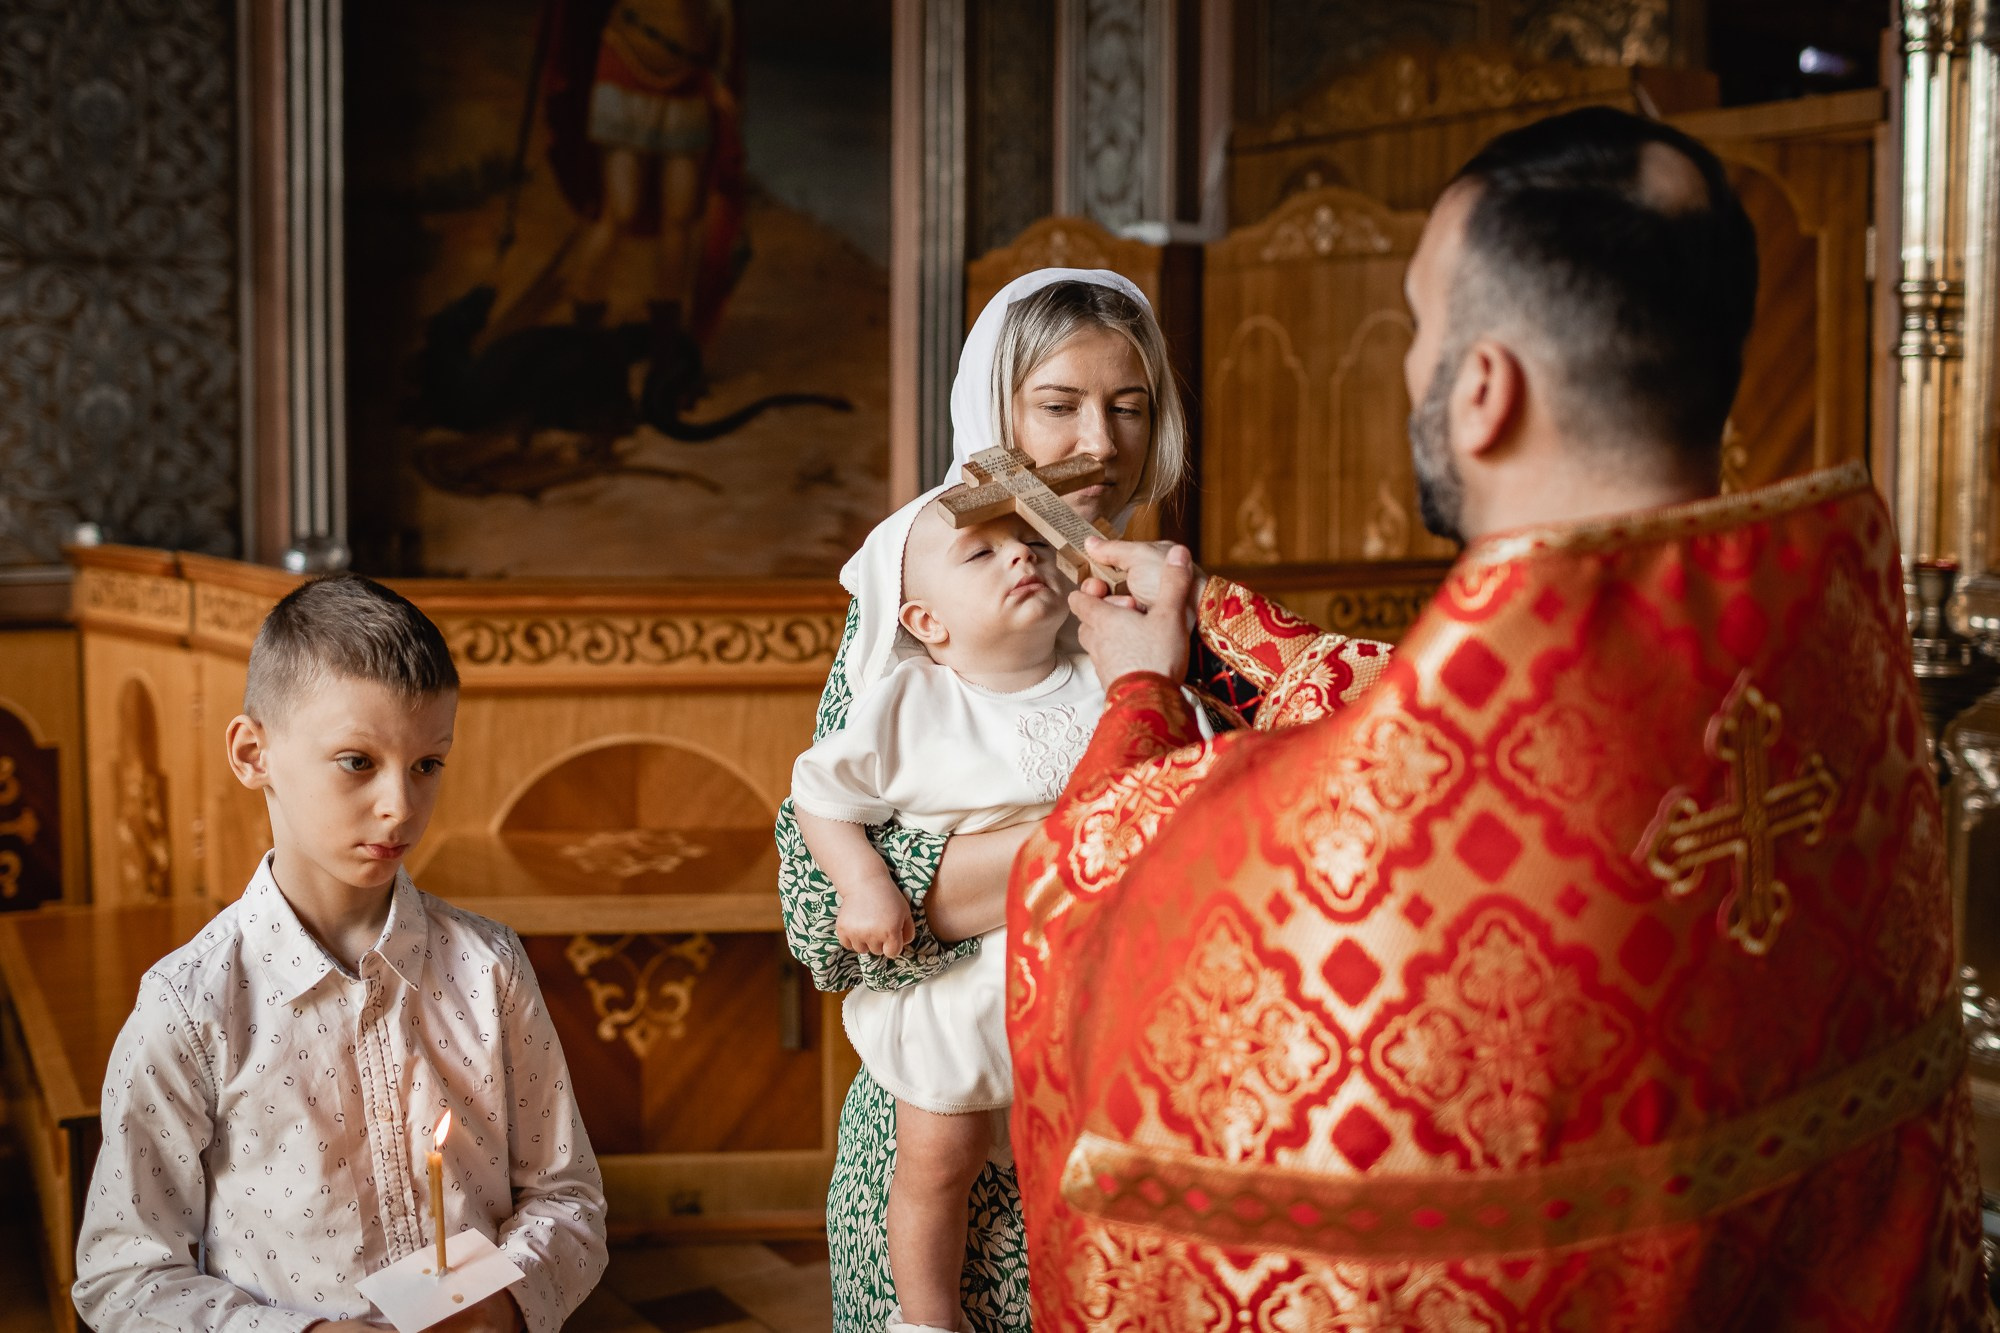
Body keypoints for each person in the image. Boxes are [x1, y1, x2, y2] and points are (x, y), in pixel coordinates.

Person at [1010, 107, 1988, 1328]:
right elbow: (1453, 705)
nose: (1412, 362)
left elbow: (1092, 889)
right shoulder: (1829, 663)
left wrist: (1139, 693)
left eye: (1420, 327)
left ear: (1483, 389)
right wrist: (1225, 626)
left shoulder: (1356, 844)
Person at [773, 268, 1394, 1331]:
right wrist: (1104, 834)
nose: (1098, 443)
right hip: (955, 1132)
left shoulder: (1181, 603)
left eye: (1129, 405)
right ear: (993, 413)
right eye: (1057, 406)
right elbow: (816, 912)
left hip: (1138, 1111)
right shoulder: (924, 606)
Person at [74, 574, 608, 1333]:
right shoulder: (190, 1008)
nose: (401, 805)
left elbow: (567, 1197)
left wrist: (503, 1305)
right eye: (358, 761)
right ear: (253, 752)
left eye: (428, 763)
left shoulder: (490, 968)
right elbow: (123, 1277)